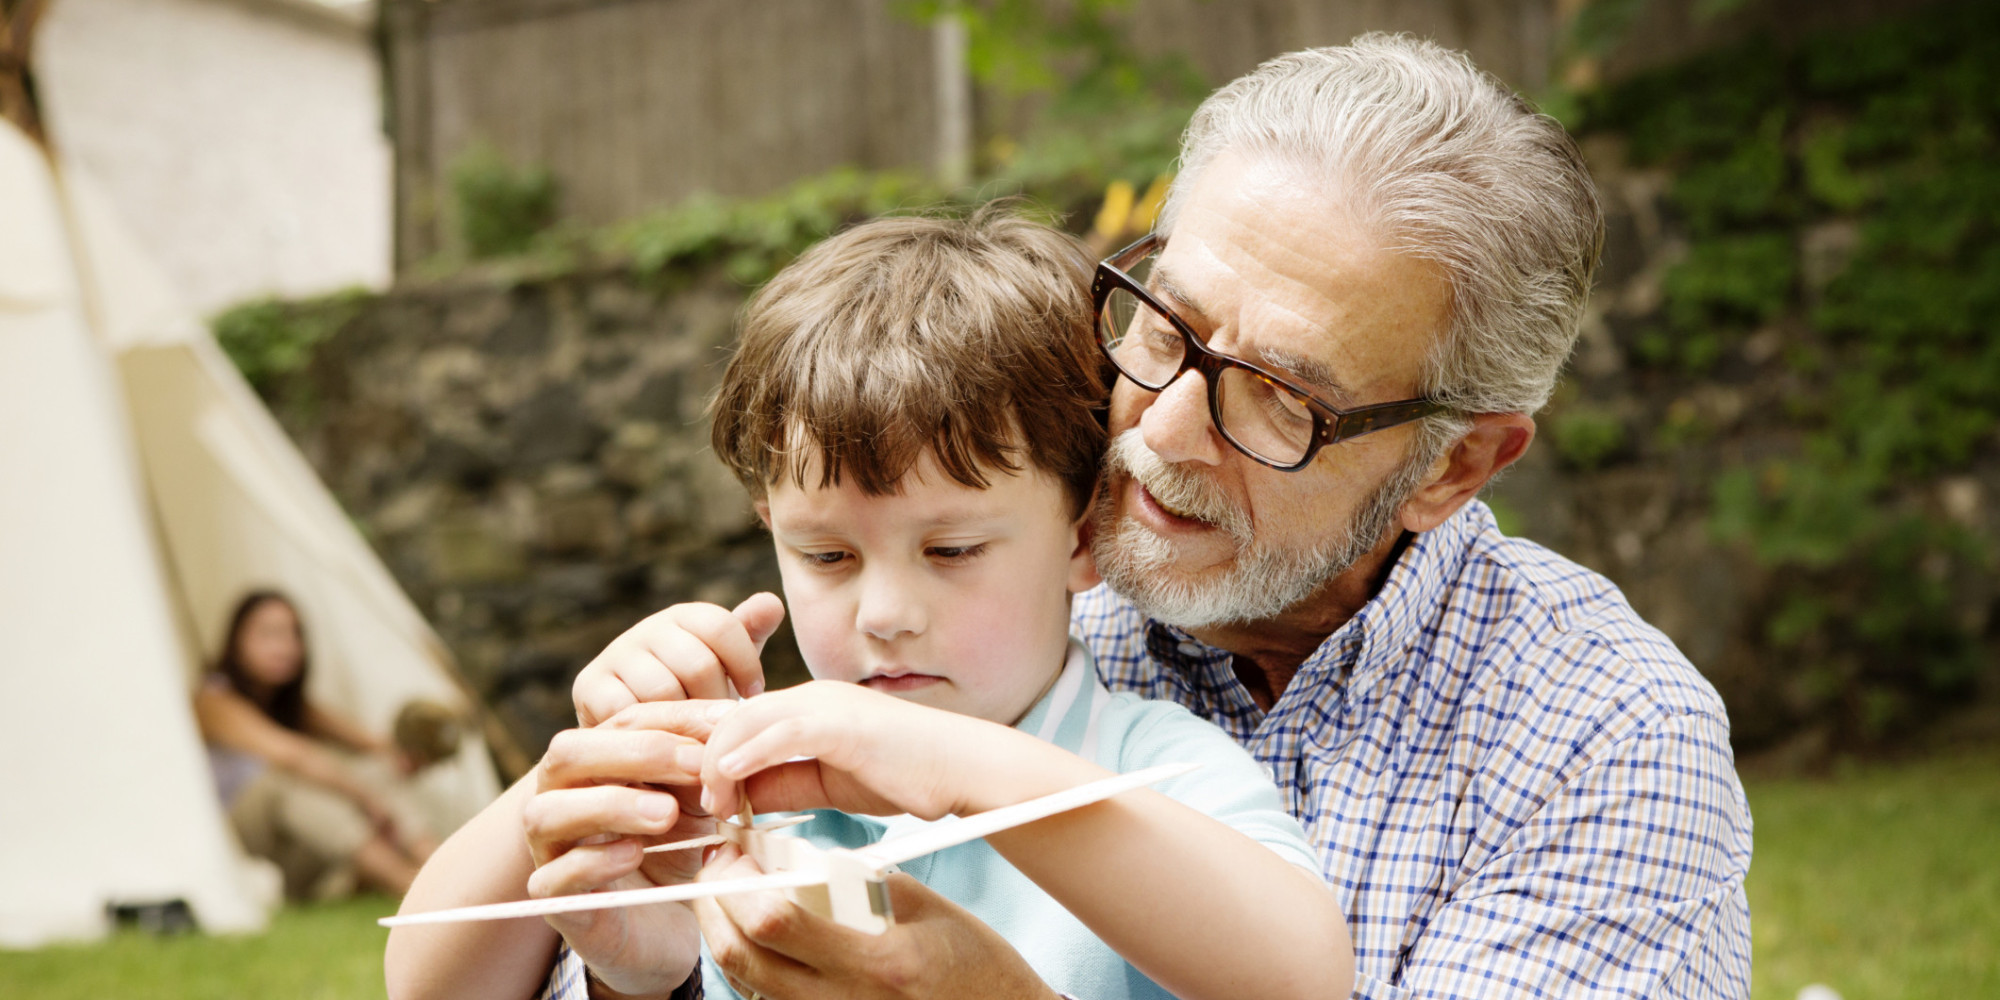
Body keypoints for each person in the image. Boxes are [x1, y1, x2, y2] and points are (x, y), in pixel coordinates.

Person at [492, 32, 1755, 1000]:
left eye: (1276, 399)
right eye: (1166, 325)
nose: (1156, 432)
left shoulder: (1601, 741)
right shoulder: (982, 593)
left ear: (1454, 464)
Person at [386, 211, 1354, 1000]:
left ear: (1082, 533)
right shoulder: (743, 790)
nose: (884, 610)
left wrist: (943, 765)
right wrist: (595, 801)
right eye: (826, 553)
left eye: (952, 549)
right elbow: (422, 982)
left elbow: (1300, 974)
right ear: (767, 524)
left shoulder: (1150, 768)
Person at [195, 590, 438, 898]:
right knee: (287, 781)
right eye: (269, 634)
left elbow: (372, 744)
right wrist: (367, 799)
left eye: (293, 634)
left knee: (377, 771)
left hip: (294, 852)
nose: (284, 647)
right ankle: (415, 889)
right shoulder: (212, 700)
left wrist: (404, 757)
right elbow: (294, 756)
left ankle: (442, 866)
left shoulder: (290, 705)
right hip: (241, 847)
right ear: (236, 641)